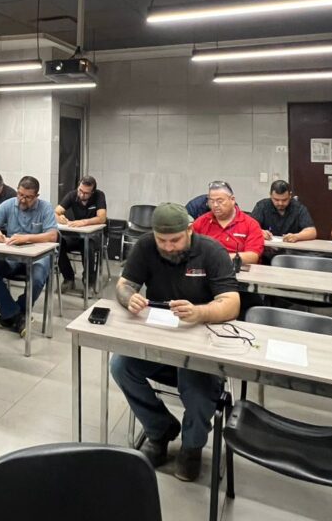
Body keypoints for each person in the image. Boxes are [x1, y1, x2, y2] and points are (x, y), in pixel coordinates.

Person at [111, 203, 240, 482]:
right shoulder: (146, 246)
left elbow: (232, 303)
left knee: (195, 385)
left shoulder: (211, 251)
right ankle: (160, 430)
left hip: (201, 345)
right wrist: (129, 298)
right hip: (161, 340)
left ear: (189, 230)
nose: (168, 247)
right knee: (120, 366)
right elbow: (123, 285)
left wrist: (200, 312)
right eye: (162, 241)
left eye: (175, 240)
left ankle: (192, 446)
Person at [0, 176, 59, 337]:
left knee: (37, 277)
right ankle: (17, 316)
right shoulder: (9, 205)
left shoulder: (45, 208)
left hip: (39, 257)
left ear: (36, 196)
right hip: (13, 256)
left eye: (28, 197)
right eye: (20, 195)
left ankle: (16, 312)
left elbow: (52, 236)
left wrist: (27, 238)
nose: (22, 200)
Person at [55, 175, 107, 293]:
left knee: (87, 244)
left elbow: (102, 218)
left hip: (95, 236)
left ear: (92, 192)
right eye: (80, 191)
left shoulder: (99, 195)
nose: (82, 195)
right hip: (77, 235)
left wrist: (84, 222)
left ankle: (88, 282)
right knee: (57, 241)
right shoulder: (72, 195)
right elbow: (56, 211)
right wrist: (59, 217)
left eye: (86, 193)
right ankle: (68, 278)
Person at [192, 181, 264, 265]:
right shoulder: (201, 222)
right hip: (207, 269)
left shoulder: (250, 224)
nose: (215, 205)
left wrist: (218, 258)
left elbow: (252, 257)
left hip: (236, 268)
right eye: (211, 201)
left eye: (220, 201)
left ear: (232, 200)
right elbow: (189, 249)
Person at [250, 180, 317, 243]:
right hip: (268, 248)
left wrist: (297, 236)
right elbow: (249, 227)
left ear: (290, 195)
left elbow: (312, 232)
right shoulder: (262, 206)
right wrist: (260, 232)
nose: (280, 203)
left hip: (291, 248)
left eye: (284, 200)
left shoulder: (298, 208)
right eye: (276, 200)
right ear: (270, 195)